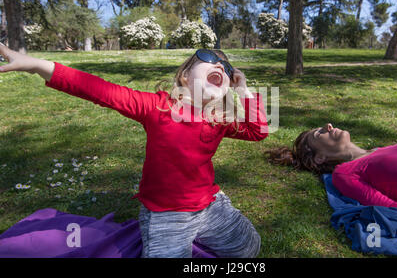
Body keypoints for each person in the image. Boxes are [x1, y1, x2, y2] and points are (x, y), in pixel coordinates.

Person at [0, 43, 268, 258]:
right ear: (185, 76)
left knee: (249, 248)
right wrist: (36, 65)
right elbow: (98, 90)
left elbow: (258, 132)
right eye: (210, 60)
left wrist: (244, 90)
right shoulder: (156, 107)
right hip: (167, 215)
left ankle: (196, 238)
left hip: (210, 208)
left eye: (226, 67)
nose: (220, 65)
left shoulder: (218, 119)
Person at [266, 123, 397, 238]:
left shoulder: (382, 149)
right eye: (319, 133)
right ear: (319, 158)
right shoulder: (345, 174)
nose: (328, 126)